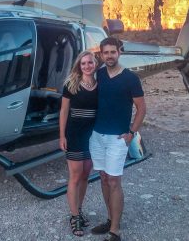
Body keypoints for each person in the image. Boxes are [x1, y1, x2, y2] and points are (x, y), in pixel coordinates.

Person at [89, 37, 146, 241]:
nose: (110, 56)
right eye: (106, 53)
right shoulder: (99, 75)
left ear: (119, 52)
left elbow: (141, 108)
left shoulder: (130, 78)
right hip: (97, 136)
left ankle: (115, 230)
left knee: (114, 181)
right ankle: (110, 218)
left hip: (118, 138)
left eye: (113, 52)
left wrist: (131, 133)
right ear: (101, 55)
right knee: (103, 178)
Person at [59, 50, 98, 237]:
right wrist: (62, 136)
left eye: (90, 62)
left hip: (92, 136)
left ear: (95, 64)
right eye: (83, 63)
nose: (87, 66)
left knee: (85, 175)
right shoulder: (71, 84)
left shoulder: (100, 85)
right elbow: (64, 111)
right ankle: (74, 217)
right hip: (74, 134)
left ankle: (79, 209)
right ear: (79, 65)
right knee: (75, 176)